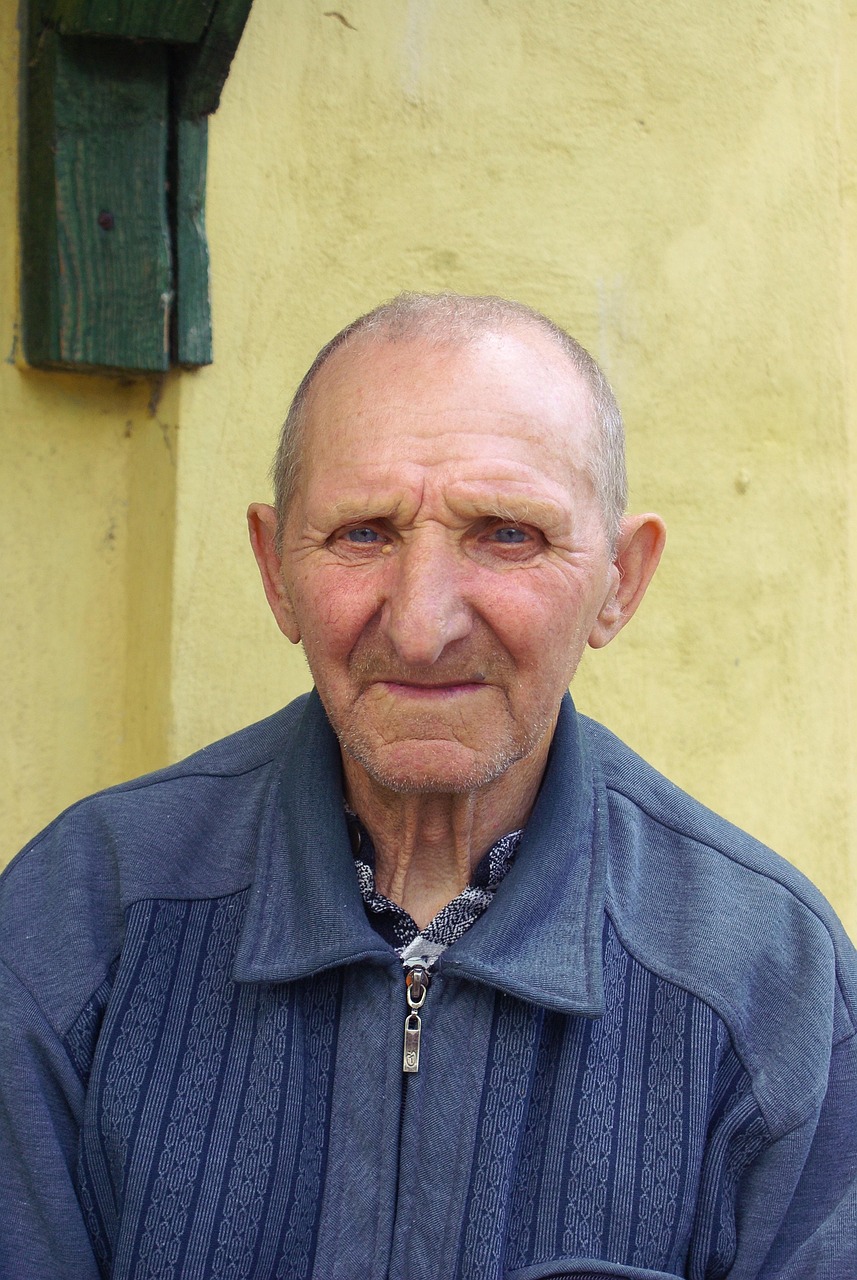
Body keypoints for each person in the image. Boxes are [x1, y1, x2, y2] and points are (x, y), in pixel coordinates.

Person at [1, 293, 855, 1280]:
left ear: (618, 580)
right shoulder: (82, 921)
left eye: (505, 534)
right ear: (276, 572)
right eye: (363, 533)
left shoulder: (768, 980)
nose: (420, 626)